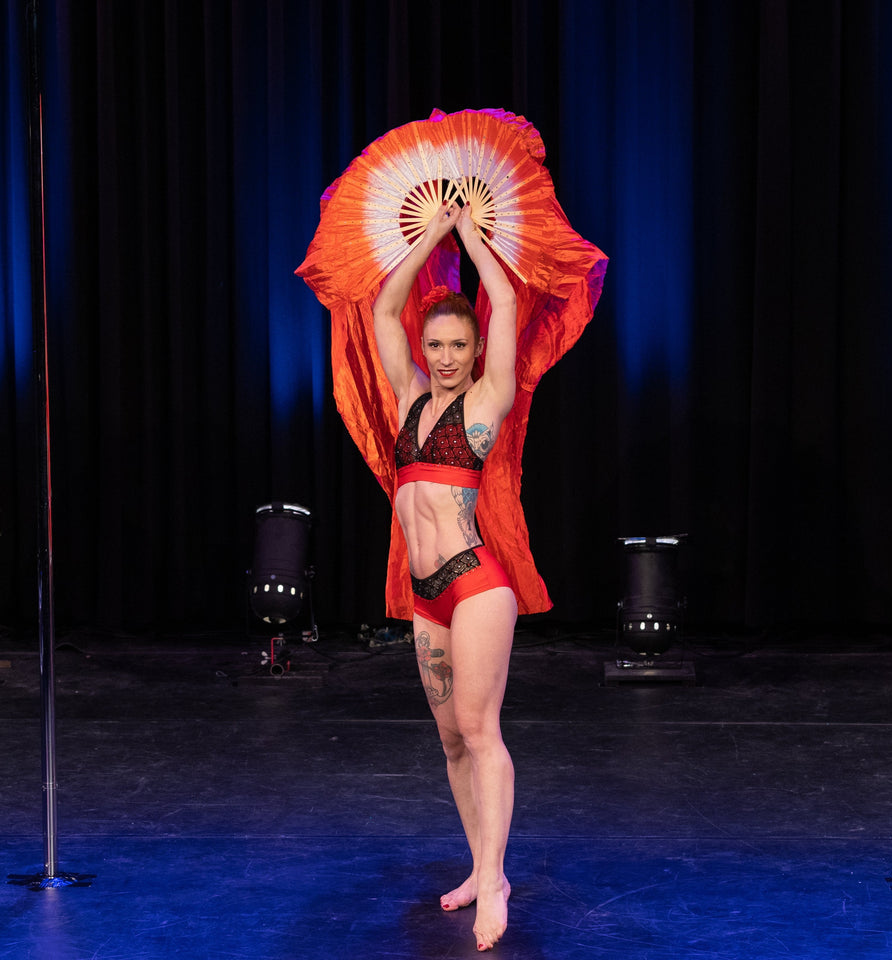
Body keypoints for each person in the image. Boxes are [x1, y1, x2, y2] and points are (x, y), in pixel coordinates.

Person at [372, 199, 517, 953]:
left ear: (475, 347)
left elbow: (511, 306)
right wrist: (427, 236)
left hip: (476, 583)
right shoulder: (408, 398)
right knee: (450, 742)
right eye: (437, 344)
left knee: (478, 729)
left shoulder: (488, 400)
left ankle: (494, 880)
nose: (447, 356)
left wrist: (467, 236)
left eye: (460, 344)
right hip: (427, 596)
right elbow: (384, 307)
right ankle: (479, 863)